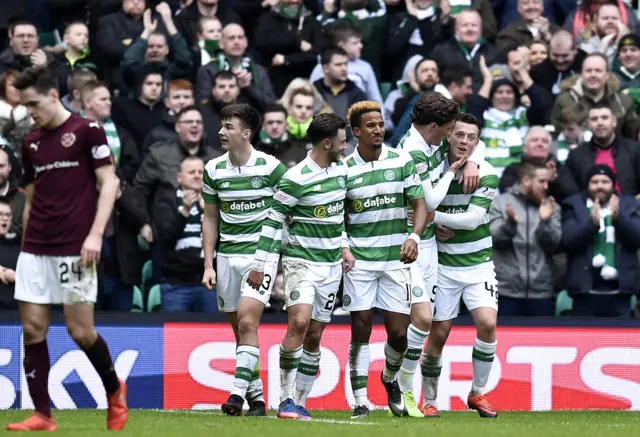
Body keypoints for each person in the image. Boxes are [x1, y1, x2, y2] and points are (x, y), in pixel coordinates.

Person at [6, 66, 127, 431]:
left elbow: (109, 183)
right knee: (32, 329)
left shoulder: (86, 130)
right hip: (35, 248)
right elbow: (32, 194)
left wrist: (94, 235)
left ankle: (113, 389)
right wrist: (26, 237)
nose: (31, 113)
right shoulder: (30, 142)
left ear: (54, 96)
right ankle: (43, 414)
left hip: (75, 247)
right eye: (25, 107)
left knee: (81, 331)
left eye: (34, 105)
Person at [245, 113, 349, 420]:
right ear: (327, 143)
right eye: (343, 142)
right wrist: (260, 264)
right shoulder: (295, 178)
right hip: (300, 264)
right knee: (299, 323)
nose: (346, 147)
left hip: (331, 267)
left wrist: (344, 244)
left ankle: (301, 402)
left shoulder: (342, 171)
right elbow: (272, 221)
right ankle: (285, 399)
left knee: (315, 335)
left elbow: (337, 214)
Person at [395, 91, 484, 417]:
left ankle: (403, 386)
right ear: (434, 126)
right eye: (448, 130)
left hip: (430, 243)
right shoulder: (412, 153)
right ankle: (403, 385)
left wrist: (472, 159)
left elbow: (475, 138)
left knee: (422, 322)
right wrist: (451, 171)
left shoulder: (431, 140)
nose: (452, 136)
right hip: (409, 243)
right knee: (420, 319)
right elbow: (429, 202)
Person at [342, 101, 428, 419]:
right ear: (356, 132)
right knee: (361, 328)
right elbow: (339, 217)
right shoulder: (345, 169)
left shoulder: (401, 160)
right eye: (370, 125)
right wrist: (343, 247)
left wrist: (414, 237)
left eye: (380, 124)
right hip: (360, 261)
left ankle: (389, 378)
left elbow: (419, 204)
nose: (378, 130)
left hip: (396, 260)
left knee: (399, 334)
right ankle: (360, 400)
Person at [201, 104, 287, 417]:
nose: (222, 132)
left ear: (247, 133)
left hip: (259, 258)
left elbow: (288, 208)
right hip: (226, 258)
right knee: (241, 332)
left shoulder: (271, 167)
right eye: (222, 126)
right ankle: (259, 400)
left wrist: (275, 255)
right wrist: (209, 264)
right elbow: (210, 218)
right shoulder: (213, 170)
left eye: (229, 127)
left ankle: (236, 396)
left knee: (249, 322)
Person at [421, 113, 499, 419]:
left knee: (488, 324)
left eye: (471, 137)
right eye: (460, 135)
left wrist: (435, 218)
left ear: (477, 142)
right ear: (449, 135)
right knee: (438, 333)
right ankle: (429, 400)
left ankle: (477, 392)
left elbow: (473, 219)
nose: (464, 141)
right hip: (443, 264)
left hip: (478, 263)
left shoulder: (486, 173)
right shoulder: (432, 166)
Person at [561, 164, 640, 317]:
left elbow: (637, 239)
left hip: (620, 295)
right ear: (588, 185)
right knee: (583, 340)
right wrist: (591, 225)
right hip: (584, 294)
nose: (600, 186)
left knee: (619, 341)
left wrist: (619, 219)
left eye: (605, 182)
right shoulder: (574, 206)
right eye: (595, 182)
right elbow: (568, 240)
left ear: (613, 184)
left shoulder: (629, 205)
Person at [489, 161, 562, 316]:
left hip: (541, 292)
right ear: (526, 180)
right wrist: (510, 224)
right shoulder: (500, 203)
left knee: (541, 340)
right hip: (506, 291)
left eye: (548, 182)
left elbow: (553, 245)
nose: (546, 187)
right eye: (541, 181)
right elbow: (495, 240)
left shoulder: (551, 206)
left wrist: (544, 222)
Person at [153, 156, 217, 312]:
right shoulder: (167, 200)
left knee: (212, 334)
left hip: (210, 285)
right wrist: (185, 212)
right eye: (191, 172)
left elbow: (225, 239)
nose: (197, 175)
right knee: (174, 336)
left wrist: (207, 211)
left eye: (201, 172)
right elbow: (166, 237)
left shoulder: (216, 201)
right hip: (176, 285)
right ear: (179, 177)